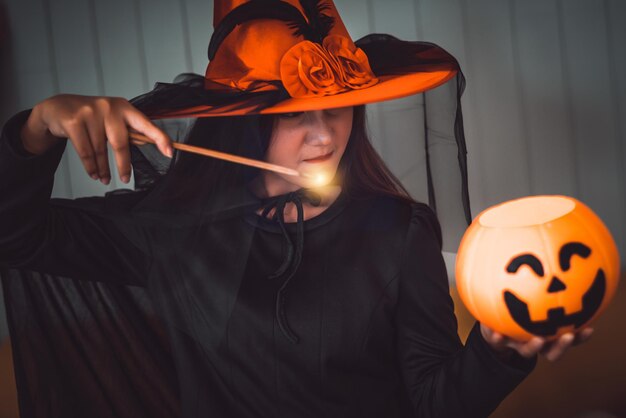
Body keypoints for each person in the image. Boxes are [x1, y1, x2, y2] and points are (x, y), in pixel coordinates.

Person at [0, 1, 593, 417]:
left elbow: (433, 404)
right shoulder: (171, 231)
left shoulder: (399, 231)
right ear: (242, 127)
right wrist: (35, 131)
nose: (323, 136)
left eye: (338, 106)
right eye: (290, 114)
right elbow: (15, 236)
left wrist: (497, 351)